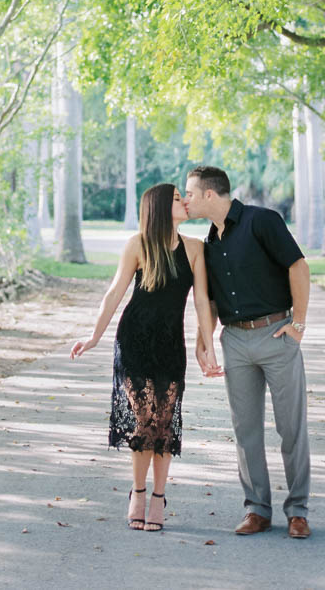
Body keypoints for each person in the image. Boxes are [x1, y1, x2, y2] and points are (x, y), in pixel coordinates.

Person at [70, 183, 221, 532]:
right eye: (176, 198)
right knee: (144, 422)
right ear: (157, 207)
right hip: (134, 340)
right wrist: (94, 336)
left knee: (164, 425)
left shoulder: (195, 248)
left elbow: (202, 301)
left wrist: (209, 346)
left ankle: (158, 496)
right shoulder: (138, 244)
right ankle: (138, 493)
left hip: (171, 344)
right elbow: (114, 292)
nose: (184, 202)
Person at [185, 165, 312, 539]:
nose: (186, 199)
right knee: (246, 431)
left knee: (291, 428)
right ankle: (257, 509)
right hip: (235, 341)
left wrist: (298, 324)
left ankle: (298, 510)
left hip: (276, 335)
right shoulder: (210, 242)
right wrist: (203, 342)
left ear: (210, 194)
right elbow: (206, 299)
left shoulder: (262, 221)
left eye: (189, 193)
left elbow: (298, 266)